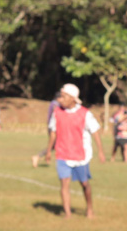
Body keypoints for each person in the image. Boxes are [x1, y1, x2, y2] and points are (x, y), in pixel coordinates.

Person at [47, 84, 105, 219]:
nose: (61, 99)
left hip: (80, 155)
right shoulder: (57, 113)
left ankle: (89, 209)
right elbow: (53, 133)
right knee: (64, 184)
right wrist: (49, 150)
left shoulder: (84, 114)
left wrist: (100, 151)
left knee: (84, 184)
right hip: (62, 153)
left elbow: (95, 132)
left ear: (73, 99)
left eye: (64, 96)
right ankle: (67, 214)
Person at [32, 92, 61, 168]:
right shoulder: (55, 103)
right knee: (54, 144)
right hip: (53, 127)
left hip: (53, 126)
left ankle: (42, 157)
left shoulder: (53, 103)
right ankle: (39, 156)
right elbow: (56, 112)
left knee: (55, 145)